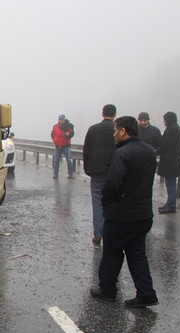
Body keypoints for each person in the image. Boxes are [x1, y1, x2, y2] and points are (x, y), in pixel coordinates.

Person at [90, 116, 158, 308]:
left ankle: (107, 290)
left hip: (121, 215)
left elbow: (113, 184)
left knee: (112, 253)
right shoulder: (148, 151)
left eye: (115, 130)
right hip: (143, 214)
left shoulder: (122, 153)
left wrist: (105, 198)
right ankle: (146, 293)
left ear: (122, 131)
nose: (113, 134)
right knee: (137, 254)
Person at [83, 104, 117, 246]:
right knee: (114, 203)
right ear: (114, 115)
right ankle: (113, 234)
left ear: (102, 114)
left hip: (96, 171)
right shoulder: (118, 130)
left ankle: (98, 234)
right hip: (115, 171)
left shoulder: (93, 129)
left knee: (97, 203)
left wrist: (87, 169)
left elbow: (86, 150)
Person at [155, 111, 180, 214]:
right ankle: (169, 204)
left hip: (171, 161)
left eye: (164, 119)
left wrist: (156, 151)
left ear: (168, 119)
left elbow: (166, 144)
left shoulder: (173, 129)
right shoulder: (174, 128)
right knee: (170, 183)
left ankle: (171, 205)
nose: (163, 121)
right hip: (171, 160)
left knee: (170, 183)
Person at [50, 114, 75, 179]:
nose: (61, 121)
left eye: (62, 120)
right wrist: (55, 140)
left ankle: (70, 174)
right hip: (58, 146)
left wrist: (68, 134)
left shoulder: (69, 126)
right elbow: (52, 134)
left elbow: (72, 134)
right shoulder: (55, 126)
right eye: (60, 120)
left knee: (69, 160)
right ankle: (56, 174)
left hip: (66, 146)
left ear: (64, 120)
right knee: (56, 160)